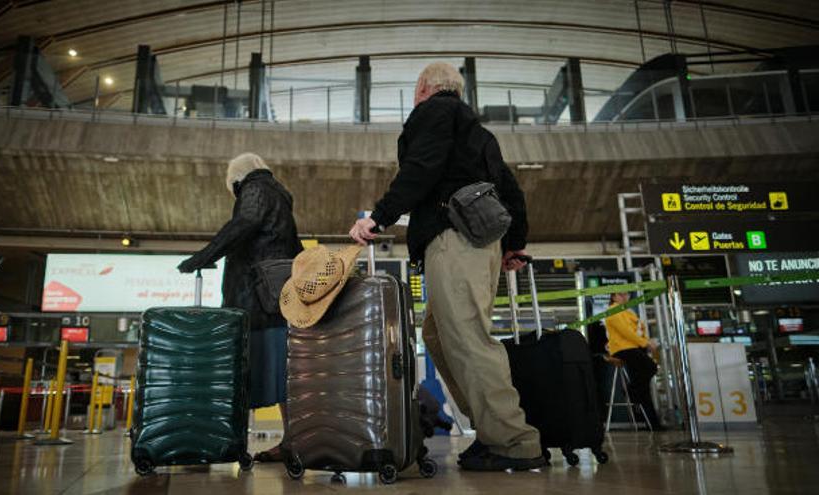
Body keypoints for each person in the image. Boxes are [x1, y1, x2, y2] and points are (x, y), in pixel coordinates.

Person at [348, 62, 545, 471]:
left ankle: (514, 441)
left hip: (455, 239)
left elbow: (420, 169)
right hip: (480, 243)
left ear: (423, 87)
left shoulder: (433, 113)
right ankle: (491, 431)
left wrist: (378, 217)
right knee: (437, 334)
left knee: (469, 338)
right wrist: (513, 244)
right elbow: (510, 190)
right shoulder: (479, 133)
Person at [177, 152, 302, 462]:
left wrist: (203, 257)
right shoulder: (281, 198)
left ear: (237, 180)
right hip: (274, 299)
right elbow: (294, 247)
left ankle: (232, 443)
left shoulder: (256, 189)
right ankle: (292, 440)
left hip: (253, 301)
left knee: (245, 372)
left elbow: (244, 223)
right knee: (281, 374)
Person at [604, 292, 663, 430]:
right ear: (613, 297)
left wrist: (645, 341)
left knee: (644, 388)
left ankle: (653, 423)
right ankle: (632, 391)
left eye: (627, 295)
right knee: (651, 368)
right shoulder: (613, 310)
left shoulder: (628, 311)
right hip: (623, 349)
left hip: (634, 348)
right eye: (621, 295)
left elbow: (639, 328)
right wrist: (645, 343)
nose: (625, 297)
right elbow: (626, 332)